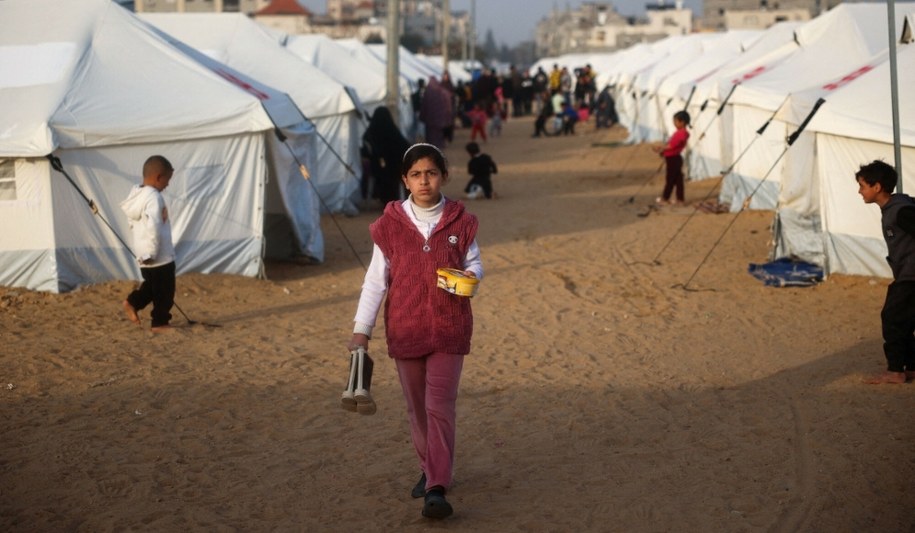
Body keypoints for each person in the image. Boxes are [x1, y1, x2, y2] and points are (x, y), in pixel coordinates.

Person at [348, 143, 483, 520]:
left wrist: (472, 275)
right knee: (416, 408)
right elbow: (376, 281)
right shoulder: (389, 226)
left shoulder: (462, 221)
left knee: (439, 406)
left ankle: (437, 485)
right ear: (405, 179)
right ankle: (429, 469)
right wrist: (362, 330)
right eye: (416, 174)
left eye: (432, 173)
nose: (424, 181)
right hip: (405, 329)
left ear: (443, 175)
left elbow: (475, 262)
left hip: (450, 327)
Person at [854, 160, 915, 384]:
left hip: (911, 276)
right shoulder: (895, 207)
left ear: (877, 187)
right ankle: (910, 367)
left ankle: (896, 370)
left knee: (892, 318)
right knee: (905, 320)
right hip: (906, 274)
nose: (860, 191)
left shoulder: (901, 211)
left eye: (862, 186)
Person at [121, 155, 176, 333]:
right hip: (158, 256)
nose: (167, 185)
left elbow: (132, 223)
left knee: (152, 287)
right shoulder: (154, 197)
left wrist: (143, 250)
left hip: (143, 252)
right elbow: (154, 227)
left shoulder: (136, 194)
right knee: (165, 292)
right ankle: (160, 322)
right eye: (167, 180)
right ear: (159, 177)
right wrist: (151, 253)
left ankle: (132, 302)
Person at [361, 106, 410, 205]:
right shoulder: (392, 131)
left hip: (377, 168)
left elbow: (365, 151)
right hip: (395, 168)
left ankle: (385, 200)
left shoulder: (370, 133)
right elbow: (405, 147)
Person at [652, 110, 691, 206]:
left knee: (670, 179)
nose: (674, 123)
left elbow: (672, 146)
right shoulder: (680, 133)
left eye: (675, 121)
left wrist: (661, 148)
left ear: (682, 122)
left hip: (673, 159)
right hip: (673, 158)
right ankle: (680, 199)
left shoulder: (681, 133)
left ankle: (665, 198)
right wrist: (662, 150)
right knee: (678, 180)